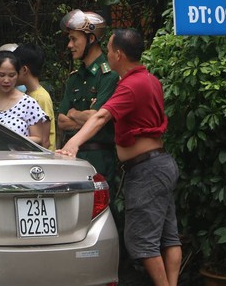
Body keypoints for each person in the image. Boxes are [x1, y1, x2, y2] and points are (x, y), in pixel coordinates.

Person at [57, 29, 181, 286]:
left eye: (110, 50)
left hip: (147, 169)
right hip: (159, 165)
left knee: (141, 242)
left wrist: (72, 144)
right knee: (169, 238)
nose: (107, 55)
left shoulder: (130, 85)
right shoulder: (150, 79)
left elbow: (101, 117)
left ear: (118, 54)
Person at [56, 9, 119, 187]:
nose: (69, 45)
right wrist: (87, 116)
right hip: (72, 156)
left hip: (99, 157)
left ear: (91, 39)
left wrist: (74, 113)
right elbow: (61, 121)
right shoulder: (74, 77)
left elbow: (98, 118)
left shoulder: (108, 75)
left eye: (74, 39)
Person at [0, 51, 49, 147]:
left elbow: (38, 138)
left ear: (18, 75)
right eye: (1, 75)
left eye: (11, 75)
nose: (6, 80)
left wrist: (12, 140)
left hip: (17, 160)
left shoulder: (28, 103)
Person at [13, 43, 56, 150]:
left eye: (14, 69)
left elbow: (45, 140)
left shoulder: (41, 98)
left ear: (24, 70)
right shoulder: (28, 94)